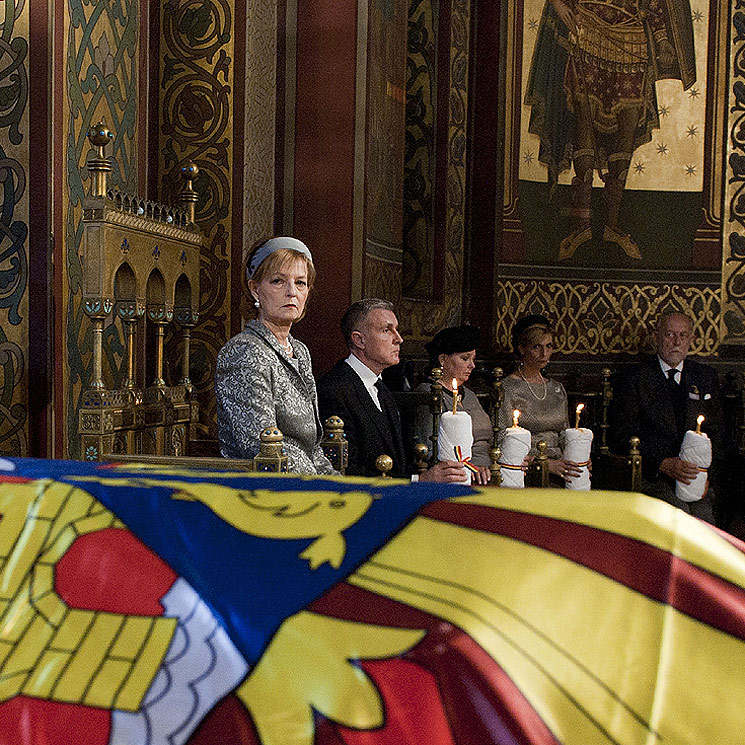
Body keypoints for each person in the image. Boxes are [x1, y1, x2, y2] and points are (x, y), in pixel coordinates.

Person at [524, 0, 695, 260]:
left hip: (632, 38)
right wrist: (558, 5)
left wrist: (661, 39)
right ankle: (581, 226)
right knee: (584, 124)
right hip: (588, 30)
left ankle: (612, 226)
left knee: (626, 129)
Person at [215, 236, 336, 475]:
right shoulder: (244, 351)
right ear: (255, 289)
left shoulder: (299, 350)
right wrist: (319, 490)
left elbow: (312, 446)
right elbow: (262, 447)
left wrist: (338, 486)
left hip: (307, 484)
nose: (292, 292)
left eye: (301, 283)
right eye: (278, 281)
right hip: (267, 491)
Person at [317, 298, 467, 482]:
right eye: (387, 330)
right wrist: (419, 481)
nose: (399, 339)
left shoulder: (381, 387)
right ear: (359, 340)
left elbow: (398, 460)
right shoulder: (335, 390)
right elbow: (344, 471)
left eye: (396, 329)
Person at [609, 311, 722, 522]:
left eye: (683, 335)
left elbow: (718, 434)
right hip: (654, 475)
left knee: (705, 525)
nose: (677, 342)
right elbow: (621, 435)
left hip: (694, 477)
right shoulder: (635, 378)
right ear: (656, 336)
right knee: (679, 519)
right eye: (670, 335)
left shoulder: (705, 377)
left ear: (691, 340)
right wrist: (662, 463)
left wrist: (706, 474)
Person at [497, 315, 582, 483]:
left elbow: (565, 434)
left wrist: (579, 458)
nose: (544, 353)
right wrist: (544, 464)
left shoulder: (556, 389)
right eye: (537, 347)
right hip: (526, 469)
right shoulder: (508, 387)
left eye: (548, 346)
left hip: (561, 466)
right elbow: (502, 440)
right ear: (522, 348)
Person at [413, 325, 492, 485]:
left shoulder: (469, 394)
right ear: (443, 359)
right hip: (460, 475)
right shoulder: (429, 392)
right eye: (465, 358)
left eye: (473, 359)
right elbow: (430, 448)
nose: (472, 365)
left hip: (489, 470)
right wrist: (474, 468)